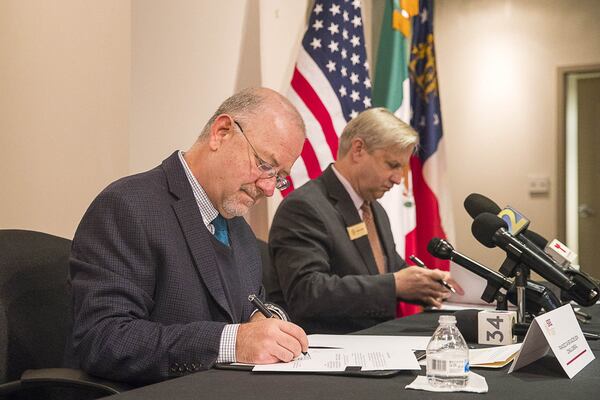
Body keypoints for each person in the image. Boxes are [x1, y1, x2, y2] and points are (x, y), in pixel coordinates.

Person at [66, 87, 309, 385]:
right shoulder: (128, 206)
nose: (270, 188)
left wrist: (268, 321)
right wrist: (233, 342)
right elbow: (104, 338)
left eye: (279, 177)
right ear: (221, 132)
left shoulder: (239, 229)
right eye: (265, 165)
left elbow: (254, 303)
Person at [268, 107, 464, 334]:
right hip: (326, 352)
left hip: (376, 343)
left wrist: (428, 282)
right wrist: (394, 285)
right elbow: (307, 292)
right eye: (392, 165)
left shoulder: (375, 210)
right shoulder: (304, 207)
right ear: (358, 149)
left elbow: (388, 270)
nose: (399, 179)